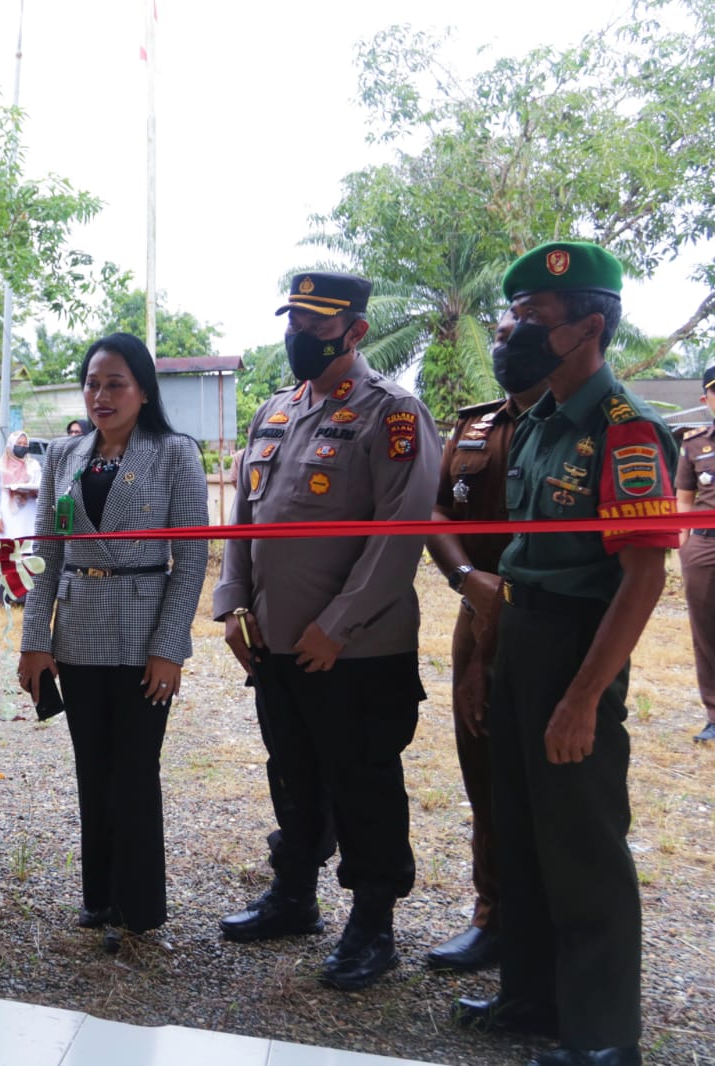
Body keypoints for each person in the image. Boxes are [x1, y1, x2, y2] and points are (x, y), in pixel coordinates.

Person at [452, 242, 674, 1066]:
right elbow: (516, 564)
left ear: (588, 327)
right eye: (513, 315)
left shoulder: (627, 431)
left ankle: (603, 1036)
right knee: (518, 829)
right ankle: (531, 996)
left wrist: (583, 699)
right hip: (520, 639)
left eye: (532, 318)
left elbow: (643, 579)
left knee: (581, 844)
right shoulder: (539, 421)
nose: (512, 331)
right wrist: (484, 665)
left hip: (579, 646)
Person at [212, 271, 439, 991]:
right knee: (293, 771)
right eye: (295, 323)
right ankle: (294, 896)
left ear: (356, 332)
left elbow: (400, 534)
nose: (300, 336)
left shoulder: (392, 413)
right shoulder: (276, 410)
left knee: (363, 781)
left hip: (357, 649)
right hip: (275, 641)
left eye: (316, 325)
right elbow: (246, 517)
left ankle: (373, 924)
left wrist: (336, 627)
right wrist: (233, 604)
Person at [17, 332, 208, 951]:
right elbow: (46, 553)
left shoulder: (174, 453)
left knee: (134, 771)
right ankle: (98, 896)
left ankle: (139, 909)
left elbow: (191, 558)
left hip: (142, 634)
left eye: (116, 384)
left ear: (143, 390)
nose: (101, 396)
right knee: (92, 769)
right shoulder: (66, 454)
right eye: (93, 384)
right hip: (77, 632)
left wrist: (170, 647)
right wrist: (35, 640)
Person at [423, 310, 544, 974]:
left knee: (547, 778)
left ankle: (546, 929)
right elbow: (438, 509)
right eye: (497, 337)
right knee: (484, 767)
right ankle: (493, 915)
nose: (503, 347)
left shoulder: (577, 428)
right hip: (478, 609)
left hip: (549, 616)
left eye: (516, 334)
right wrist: (466, 578)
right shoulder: (475, 426)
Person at [675, 365, 715, 745]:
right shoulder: (694, 444)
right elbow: (684, 500)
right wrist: (685, 546)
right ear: (706, 399)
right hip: (704, 546)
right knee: (706, 632)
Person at [0, 430, 41, 541]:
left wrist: (35, 491)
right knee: (7, 545)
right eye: (19, 443)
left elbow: (40, 487)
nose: (22, 446)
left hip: (28, 509)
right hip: (7, 511)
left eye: (25, 444)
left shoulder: (33, 465)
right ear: (11, 444)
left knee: (27, 544)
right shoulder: (0, 465)